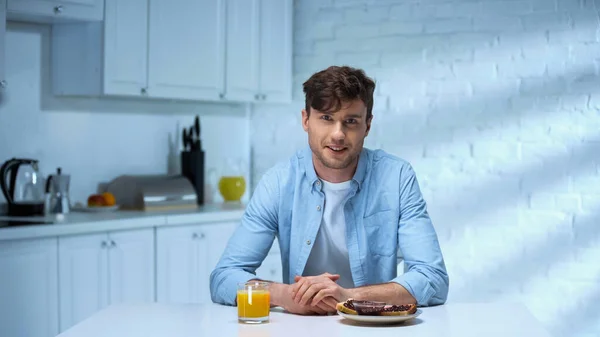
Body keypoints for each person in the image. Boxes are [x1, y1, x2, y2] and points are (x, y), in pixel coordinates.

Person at [210, 65, 449, 315]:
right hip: (301, 328)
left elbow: (433, 279)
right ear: (306, 120)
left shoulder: (397, 178)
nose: (338, 134)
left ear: (367, 126)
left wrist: (348, 297)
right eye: (326, 118)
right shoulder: (278, 183)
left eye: (351, 121)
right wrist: (284, 295)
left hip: (374, 329)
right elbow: (224, 278)